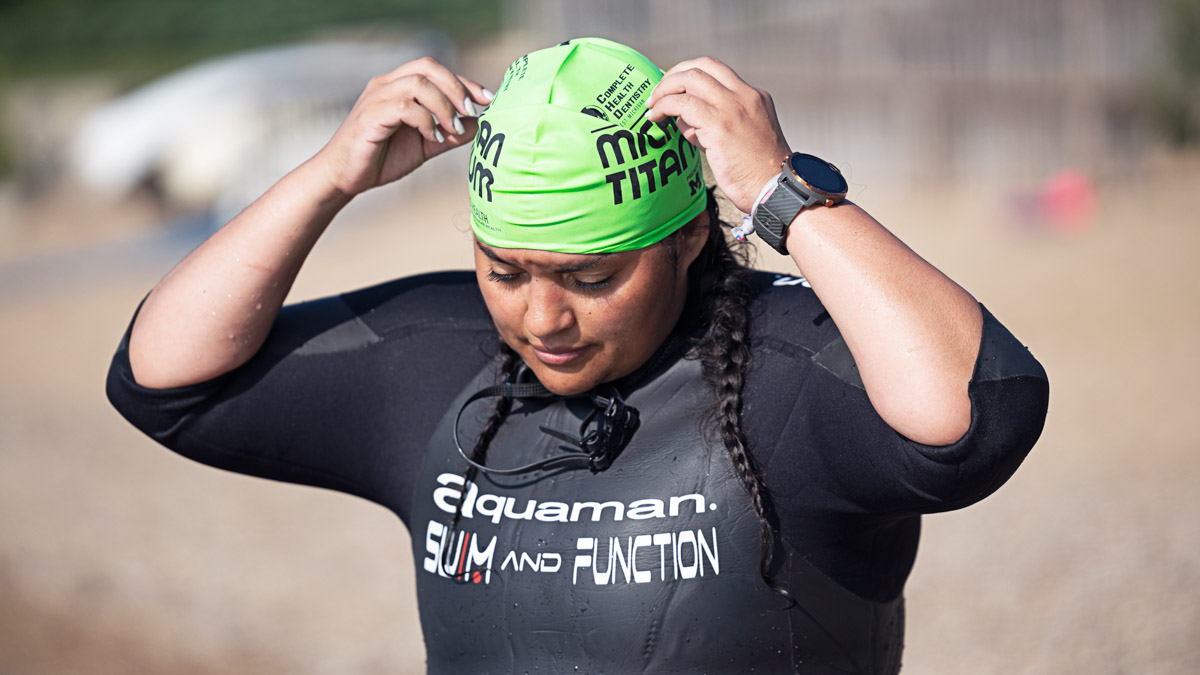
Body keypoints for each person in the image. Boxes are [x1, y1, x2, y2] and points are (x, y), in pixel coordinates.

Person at [106, 38, 1048, 674]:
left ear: (685, 239)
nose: (542, 317)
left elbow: (980, 414)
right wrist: (331, 175)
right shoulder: (441, 368)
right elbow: (163, 379)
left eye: (591, 278)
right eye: (505, 268)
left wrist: (779, 191)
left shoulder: (788, 367)